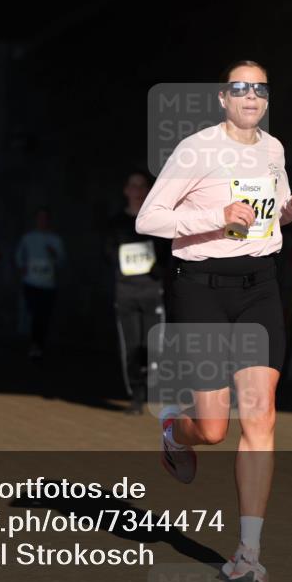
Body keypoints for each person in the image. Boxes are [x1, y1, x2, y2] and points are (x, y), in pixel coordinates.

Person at [136, 60, 292, 582]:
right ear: (223, 97)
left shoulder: (273, 149)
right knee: (214, 430)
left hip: (260, 287)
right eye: (240, 88)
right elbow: (148, 218)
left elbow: (273, 216)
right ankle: (175, 428)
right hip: (201, 288)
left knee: (261, 421)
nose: (251, 96)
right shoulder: (196, 148)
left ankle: (248, 553)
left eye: (260, 88)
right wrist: (216, 218)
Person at [106, 171, 169, 414]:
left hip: (152, 292)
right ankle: (137, 395)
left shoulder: (158, 221)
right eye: (133, 185)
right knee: (131, 347)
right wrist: (121, 260)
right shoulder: (116, 223)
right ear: (126, 190)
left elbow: (168, 253)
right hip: (126, 293)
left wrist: (159, 268)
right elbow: (107, 253)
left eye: (142, 186)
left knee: (152, 346)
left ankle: (154, 388)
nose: (137, 190)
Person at [15, 207, 65, 360]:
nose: (42, 221)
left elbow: (62, 261)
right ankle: (34, 343)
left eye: (45, 218)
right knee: (34, 312)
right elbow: (18, 255)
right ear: (36, 220)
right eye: (40, 218)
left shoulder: (55, 240)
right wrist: (22, 266)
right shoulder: (28, 238)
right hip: (31, 282)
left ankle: (38, 344)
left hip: (48, 284)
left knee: (43, 315)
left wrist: (54, 255)